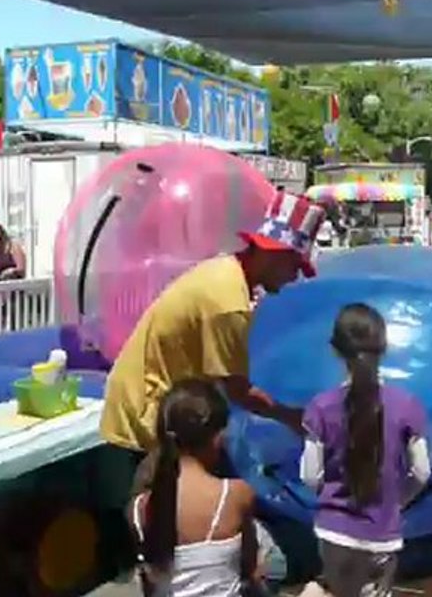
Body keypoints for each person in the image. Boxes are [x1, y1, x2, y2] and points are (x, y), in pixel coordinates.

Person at [101, 190, 327, 458]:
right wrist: (294, 418)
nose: (294, 276)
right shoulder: (229, 302)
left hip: (136, 396)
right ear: (274, 254)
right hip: (145, 415)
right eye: (295, 265)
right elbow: (239, 392)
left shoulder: (225, 271)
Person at [300, 303, 431, 597]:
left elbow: (310, 476)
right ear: (383, 349)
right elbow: (422, 472)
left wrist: (331, 496)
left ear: (335, 350)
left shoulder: (320, 407)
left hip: (333, 530)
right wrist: (396, 501)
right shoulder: (407, 405)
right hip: (381, 534)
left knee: (334, 586)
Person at [129, 377, 262, 597]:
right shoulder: (235, 494)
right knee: (275, 558)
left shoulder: (138, 510)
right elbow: (250, 572)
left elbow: (148, 585)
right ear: (218, 438)